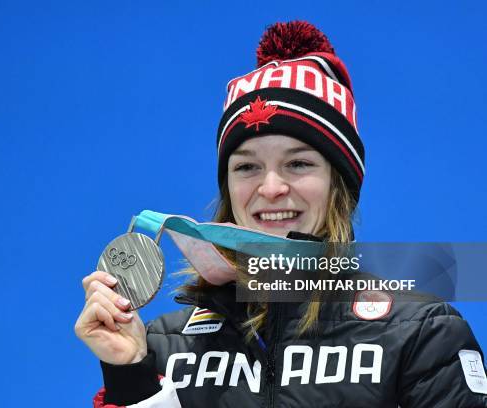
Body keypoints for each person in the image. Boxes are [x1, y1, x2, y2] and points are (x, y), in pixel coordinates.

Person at [76, 21, 487, 407]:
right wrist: (129, 375)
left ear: (338, 185)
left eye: (298, 164)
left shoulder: (420, 332)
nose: (270, 188)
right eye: (247, 167)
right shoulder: (165, 345)